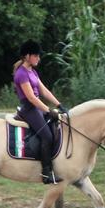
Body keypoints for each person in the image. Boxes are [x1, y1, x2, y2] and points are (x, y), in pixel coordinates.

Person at [13, 40, 68, 184]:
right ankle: (46, 173)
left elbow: (44, 91)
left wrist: (59, 105)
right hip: (29, 109)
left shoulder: (33, 71)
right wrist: (49, 110)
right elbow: (31, 97)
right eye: (36, 55)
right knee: (47, 136)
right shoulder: (21, 74)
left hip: (36, 107)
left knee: (56, 127)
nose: (38, 58)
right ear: (27, 56)